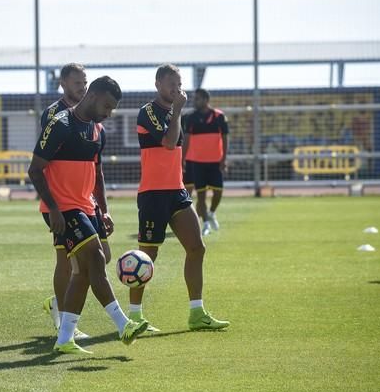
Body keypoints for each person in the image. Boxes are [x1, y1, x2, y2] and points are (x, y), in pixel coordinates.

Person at [28, 76, 148, 355]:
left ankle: (65, 339)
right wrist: (54, 209)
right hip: (62, 208)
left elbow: (98, 174)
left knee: (82, 272)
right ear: (92, 95)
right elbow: (34, 170)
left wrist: (103, 210)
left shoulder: (98, 131)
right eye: (106, 106)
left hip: (87, 206)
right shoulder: (60, 124)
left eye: (112, 109)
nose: (108, 113)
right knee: (95, 257)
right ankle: (123, 324)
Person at [131, 64, 229, 331]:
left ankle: (197, 313)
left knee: (197, 247)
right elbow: (168, 142)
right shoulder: (148, 111)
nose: (176, 89)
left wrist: (176, 112)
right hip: (153, 193)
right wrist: (177, 112)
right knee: (147, 256)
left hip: (176, 190)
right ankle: (135, 316)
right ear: (158, 85)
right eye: (171, 85)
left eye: (179, 84)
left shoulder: (175, 112)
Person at [39, 63, 114, 340]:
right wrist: (54, 205)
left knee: (102, 256)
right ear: (63, 85)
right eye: (76, 83)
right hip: (63, 200)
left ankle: (59, 304)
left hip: (85, 200)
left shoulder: (92, 118)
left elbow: (97, 167)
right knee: (67, 259)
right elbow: (44, 162)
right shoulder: (54, 115)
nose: (81, 87)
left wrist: (103, 208)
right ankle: (63, 324)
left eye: (84, 82)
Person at [182, 88, 229, 236]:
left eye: (197, 99)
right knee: (200, 195)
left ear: (206, 100)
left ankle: (212, 212)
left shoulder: (219, 116)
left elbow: (225, 138)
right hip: (197, 163)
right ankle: (206, 224)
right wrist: (182, 159)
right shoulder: (191, 118)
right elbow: (187, 140)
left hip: (215, 162)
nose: (194, 101)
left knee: (218, 192)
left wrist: (224, 158)